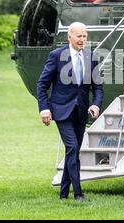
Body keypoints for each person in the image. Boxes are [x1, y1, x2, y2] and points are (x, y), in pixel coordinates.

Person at [37, 22, 103, 201]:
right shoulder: (57, 56)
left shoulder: (91, 57)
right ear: (69, 37)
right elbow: (42, 84)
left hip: (81, 112)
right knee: (72, 147)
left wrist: (96, 104)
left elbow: (98, 87)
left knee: (72, 151)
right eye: (79, 36)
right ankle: (78, 193)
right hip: (61, 111)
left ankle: (63, 193)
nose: (82, 40)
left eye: (84, 36)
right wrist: (44, 108)